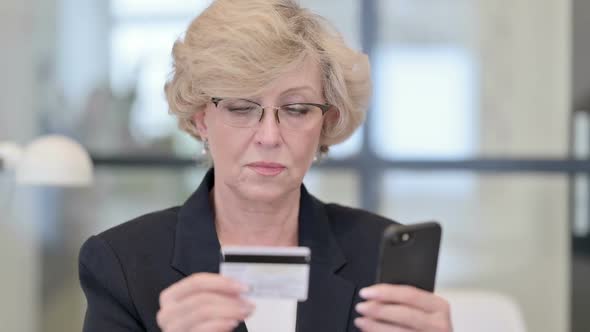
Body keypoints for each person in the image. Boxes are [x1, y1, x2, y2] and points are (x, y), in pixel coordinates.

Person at [78, 0, 452, 331]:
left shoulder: (377, 255)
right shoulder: (122, 264)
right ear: (200, 119)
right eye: (242, 108)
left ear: (326, 121)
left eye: (297, 109)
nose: (270, 137)